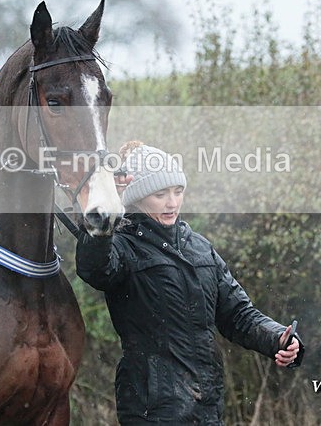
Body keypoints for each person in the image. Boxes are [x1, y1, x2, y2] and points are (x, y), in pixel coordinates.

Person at [76, 141, 304, 424]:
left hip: (207, 406)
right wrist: (101, 217)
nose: (172, 202)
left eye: (178, 191)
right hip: (152, 411)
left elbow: (238, 315)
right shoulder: (123, 247)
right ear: (138, 196)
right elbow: (93, 269)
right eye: (160, 194)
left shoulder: (199, 247)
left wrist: (278, 338)